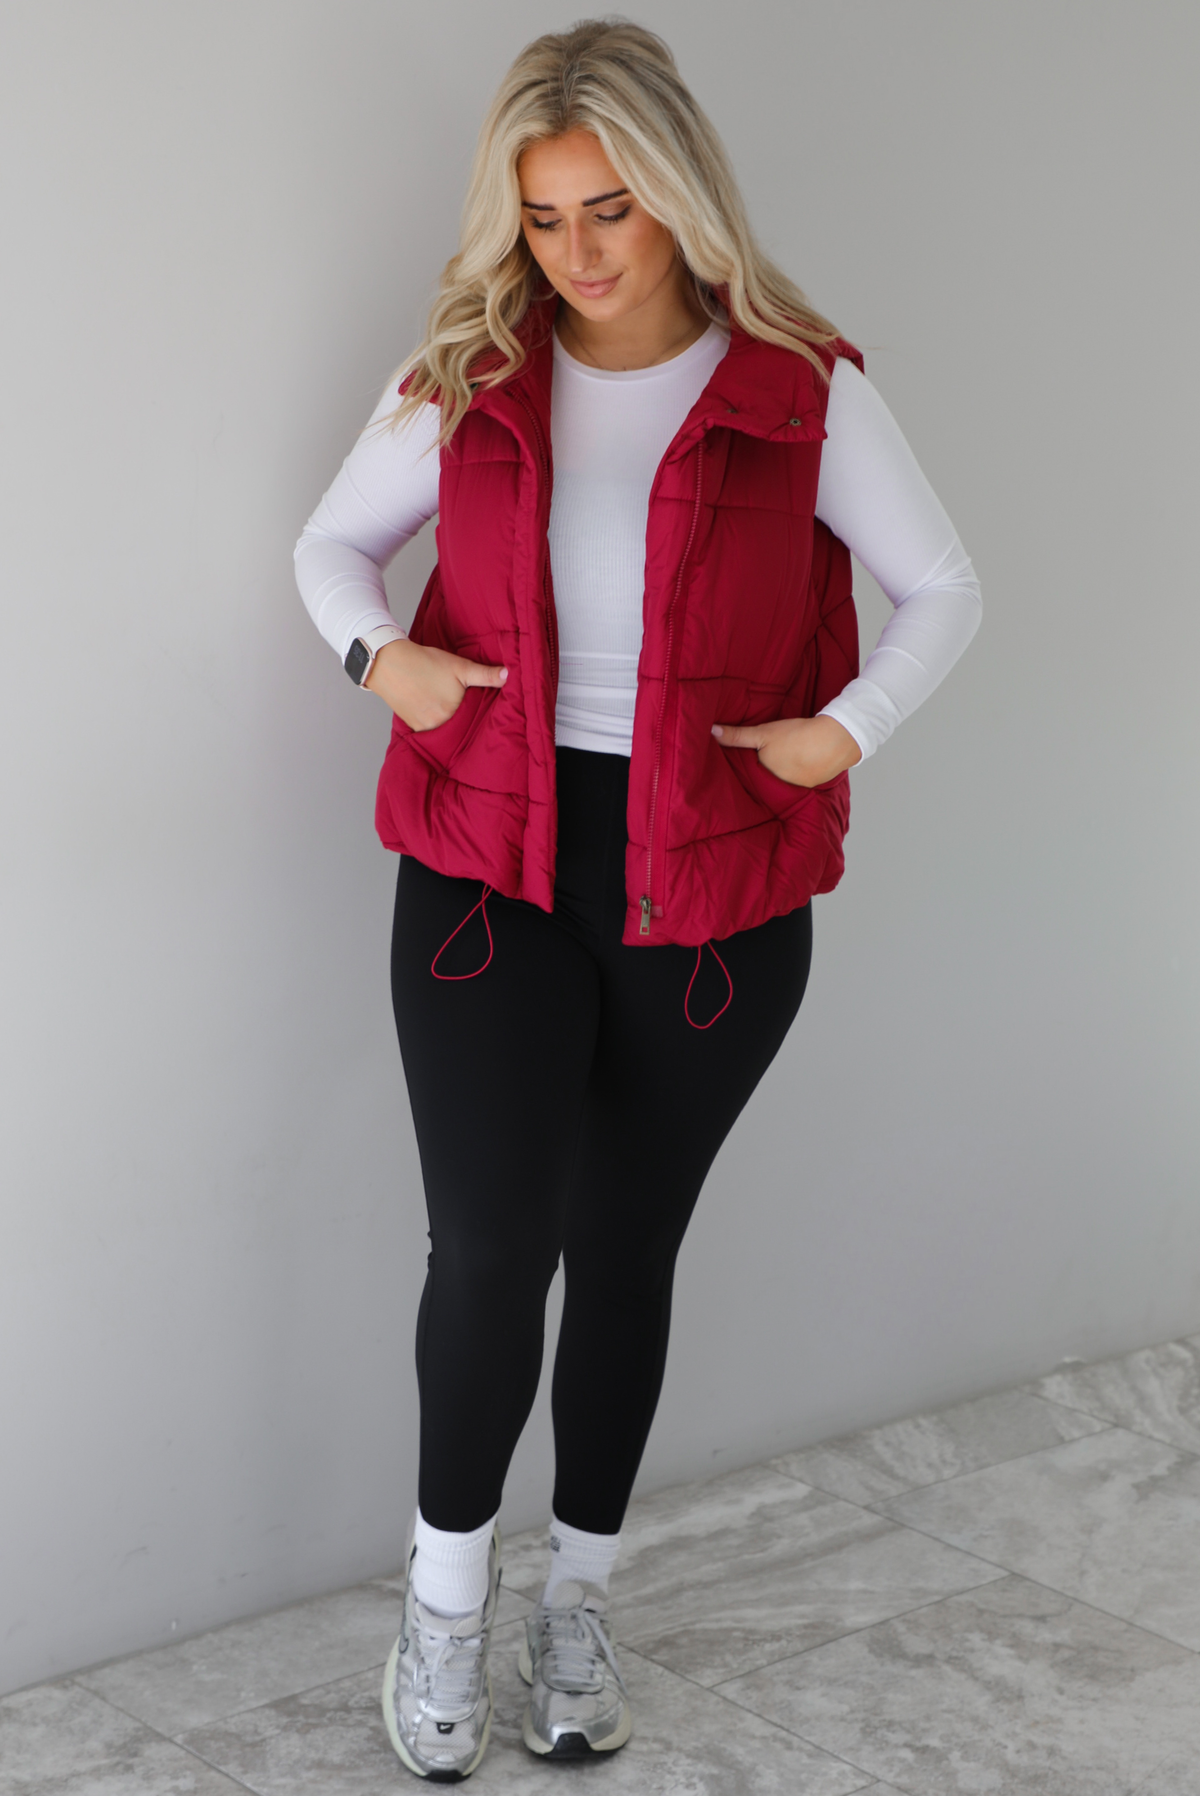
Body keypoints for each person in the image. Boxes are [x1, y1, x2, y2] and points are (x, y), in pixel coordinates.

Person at [295, 17, 981, 1780]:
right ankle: (444, 1613)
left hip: (717, 890)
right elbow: (328, 544)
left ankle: (575, 1606)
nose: (582, 255)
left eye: (614, 211)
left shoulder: (796, 384)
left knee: (627, 1253)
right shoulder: (470, 366)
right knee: (491, 1249)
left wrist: (847, 730)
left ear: (681, 194)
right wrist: (390, 666)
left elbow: (943, 587)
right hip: (487, 868)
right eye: (545, 221)